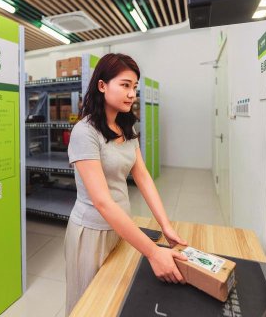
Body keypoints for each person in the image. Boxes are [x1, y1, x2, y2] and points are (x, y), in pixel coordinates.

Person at [64, 53, 188, 316]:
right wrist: (153, 253)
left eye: (134, 87)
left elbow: (142, 177)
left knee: (114, 303)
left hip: (121, 227)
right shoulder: (85, 132)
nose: (132, 94)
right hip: (92, 232)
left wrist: (166, 226)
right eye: (125, 85)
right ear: (102, 85)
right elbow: (102, 202)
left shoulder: (126, 127)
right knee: (88, 304)